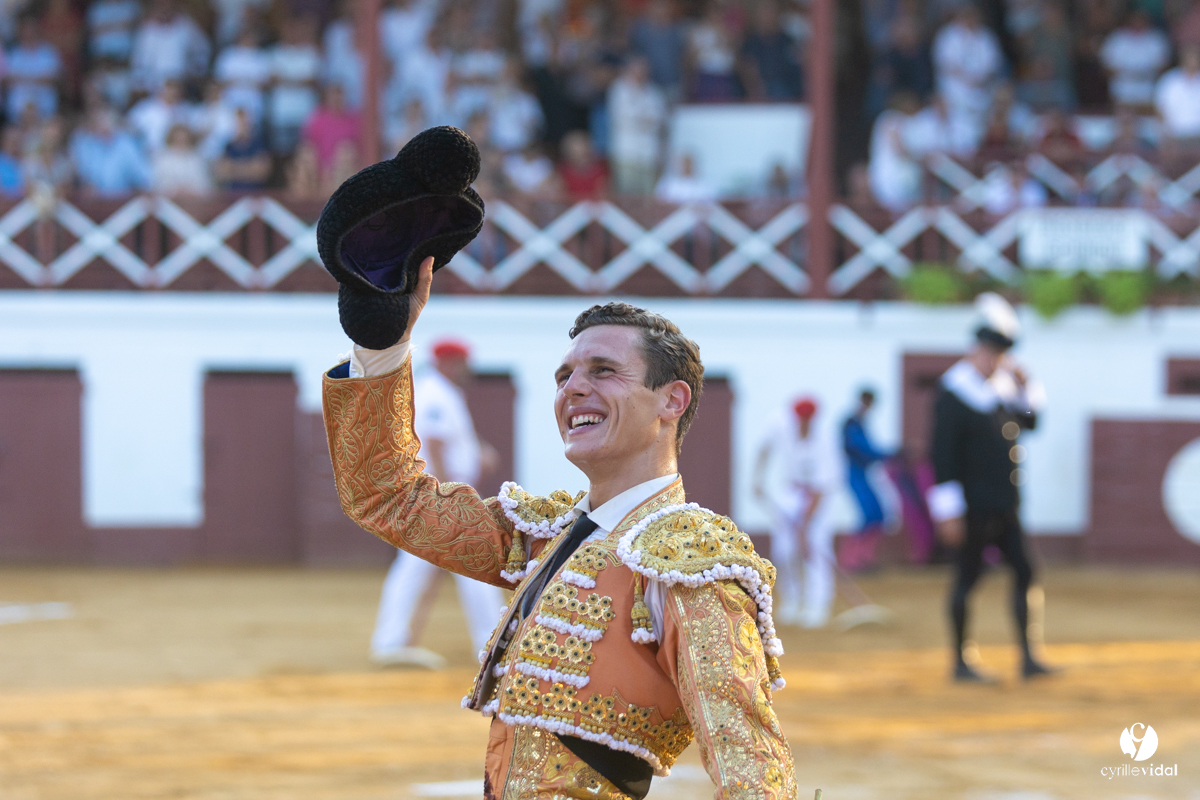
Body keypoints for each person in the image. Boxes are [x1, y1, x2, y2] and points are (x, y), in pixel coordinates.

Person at [321, 159, 796, 792]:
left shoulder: (691, 563)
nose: (574, 389)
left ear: (672, 402)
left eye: (604, 370)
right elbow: (387, 496)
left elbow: (746, 754)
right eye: (565, 375)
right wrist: (382, 344)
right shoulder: (546, 536)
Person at [926, 293, 1055, 683]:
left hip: (1006, 503)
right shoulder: (954, 394)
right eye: (990, 351)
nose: (995, 360)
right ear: (976, 349)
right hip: (972, 506)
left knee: (1026, 571)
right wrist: (947, 511)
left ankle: (1029, 656)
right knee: (968, 577)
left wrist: (1027, 385)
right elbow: (942, 456)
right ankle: (961, 661)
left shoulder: (1002, 389)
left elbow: (1033, 422)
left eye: (1000, 353)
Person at [370, 339, 506, 669]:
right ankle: (493, 643)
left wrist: (479, 453)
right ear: (448, 362)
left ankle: (390, 641)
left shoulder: (440, 392)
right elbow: (434, 441)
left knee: (417, 568)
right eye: (461, 362)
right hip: (439, 496)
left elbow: (450, 441)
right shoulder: (435, 392)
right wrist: (448, 494)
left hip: (433, 495)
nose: (467, 369)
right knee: (477, 564)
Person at [753, 397, 841, 629]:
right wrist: (757, 478)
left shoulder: (826, 436)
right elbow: (763, 447)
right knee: (784, 550)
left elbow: (823, 486)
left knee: (815, 548)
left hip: (818, 498)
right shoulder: (779, 422)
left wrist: (805, 524)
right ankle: (791, 600)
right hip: (790, 492)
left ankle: (817, 603)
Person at [840, 389, 891, 571]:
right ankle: (851, 559)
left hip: (861, 473)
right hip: (854, 473)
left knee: (876, 515)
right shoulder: (851, 423)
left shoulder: (857, 422)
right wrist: (888, 454)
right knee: (870, 515)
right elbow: (862, 449)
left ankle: (864, 558)